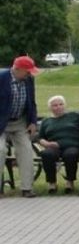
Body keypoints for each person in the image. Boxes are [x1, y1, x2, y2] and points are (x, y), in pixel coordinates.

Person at [0, 56, 39, 197]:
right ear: (17, 69)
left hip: (20, 122)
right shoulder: (2, 78)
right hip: (1, 122)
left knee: (27, 151)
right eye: (27, 71)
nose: (29, 74)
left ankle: (27, 188)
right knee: (0, 150)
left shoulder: (29, 80)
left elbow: (32, 102)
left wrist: (33, 121)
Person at [36, 95, 79, 194]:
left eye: (61, 104)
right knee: (47, 154)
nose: (58, 107)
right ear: (50, 108)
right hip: (53, 146)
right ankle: (52, 183)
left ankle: (70, 181)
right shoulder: (46, 121)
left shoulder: (74, 116)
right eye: (55, 105)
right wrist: (45, 143)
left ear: (65, 105)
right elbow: (40, 137)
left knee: (71, 154)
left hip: (72, 144)